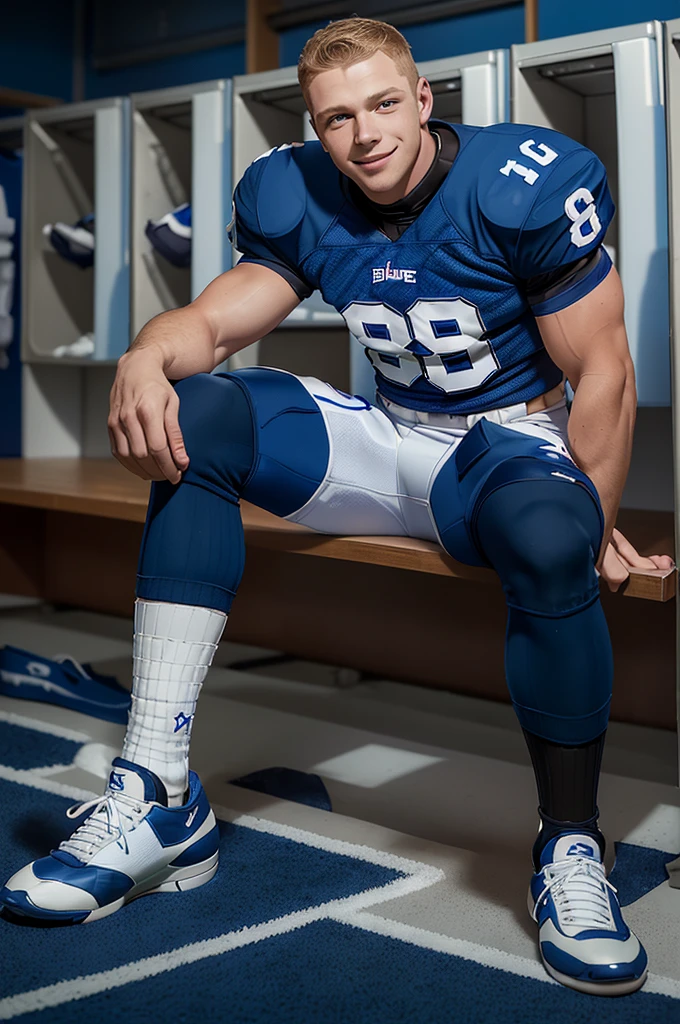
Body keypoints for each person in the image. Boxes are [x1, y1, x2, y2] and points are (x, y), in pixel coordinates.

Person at [1, 16, 672, 997]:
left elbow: (602, 372)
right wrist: (147, 352)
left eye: (384, 105)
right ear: (316, 128)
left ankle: (570, 845)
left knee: (545, 531)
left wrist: (589, 506)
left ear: (424, 99)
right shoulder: (295, 191)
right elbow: (216, 317)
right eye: (338, 118)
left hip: (502, 445)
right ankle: (156, 793)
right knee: (200, 413)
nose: (365, 135)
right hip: (386, 437)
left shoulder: (523, 179)